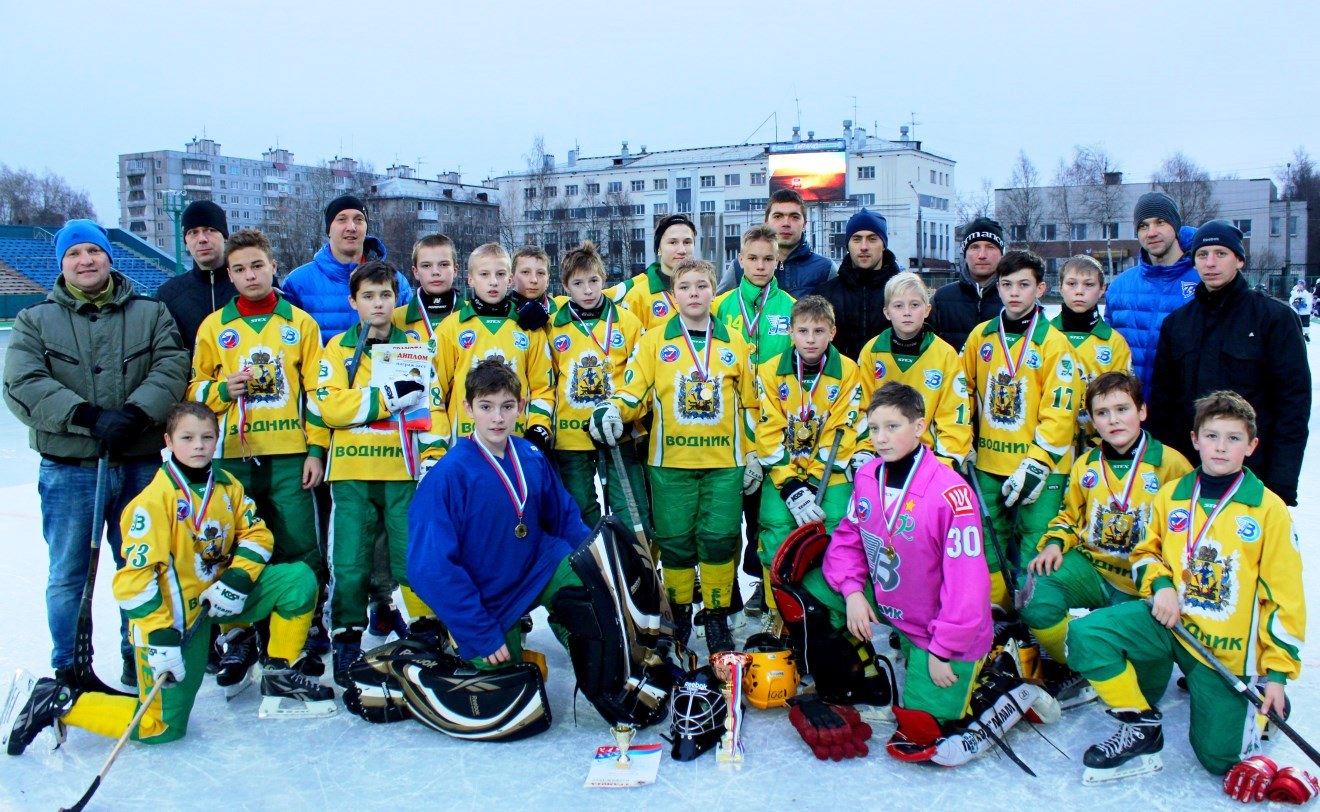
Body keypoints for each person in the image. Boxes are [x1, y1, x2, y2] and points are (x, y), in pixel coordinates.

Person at [4, 402, 333, 756]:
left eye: (207, 437)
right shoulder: (152, 502)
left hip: (219, 599)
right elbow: (134, 582)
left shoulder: (227, 485)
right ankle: (56, 701)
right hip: (172, 621)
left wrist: (238, 577)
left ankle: (279, 676)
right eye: (187, 437)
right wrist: (160, 636)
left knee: (297, 579)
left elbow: (256, 532)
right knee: (160, 727)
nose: (199, 446)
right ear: (168, 441)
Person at [1066, 391, 1305, 781]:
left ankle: (1261, 701)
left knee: (1218, 760)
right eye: (1211, 436)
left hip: (1221, 649)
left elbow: (1285, 599)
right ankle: (1141, 725)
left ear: (1252, 445)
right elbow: (1146, 552)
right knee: (1087, 633)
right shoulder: (1172, 494)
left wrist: (1277, 673)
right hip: (1169, 625)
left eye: (1233, 438)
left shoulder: (1268, 510)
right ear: (1194, 439)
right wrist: (1160, 585)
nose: (1220, 447)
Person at [819, 383, 1050, 767]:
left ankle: (1002, 685)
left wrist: (943, 650)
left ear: (920, 426)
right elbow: (848, 539)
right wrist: (851, 593)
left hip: (942, 628)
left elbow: (967, 587)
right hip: (894, 605)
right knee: (814, 591)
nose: (880, 438)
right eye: (873, 428)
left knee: (922, 736)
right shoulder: (867, 477)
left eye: (893, 427)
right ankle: (863, 672)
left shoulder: (951, 494)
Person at [3, 219, 188, 689]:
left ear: (109, 256)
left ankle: (138, 654)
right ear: (61, 263)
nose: (85, 261)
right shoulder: (34, 320)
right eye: (74, 254)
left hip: (140, 464)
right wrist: (86, 416)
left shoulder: (150, 312)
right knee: (69, 573)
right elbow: (22, 383)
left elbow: (172, 365)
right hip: (71, 470)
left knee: (142, 565)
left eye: (93, 251)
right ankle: (70, 666)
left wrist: (135, 413)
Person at [591, 258, 758, 652]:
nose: (694, 293)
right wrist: (613, 409)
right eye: (686, 287)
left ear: (714, 290)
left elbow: (753, 404)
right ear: (674, 293)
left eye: (702, 286)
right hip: (669, 464)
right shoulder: (653, 340)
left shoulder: (735, 341)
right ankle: (679, 613)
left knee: (720, 539)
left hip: (725, 465)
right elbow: (633, 393)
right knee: (676, 541)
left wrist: (753, 454)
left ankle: (716, 615)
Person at [188, 228, 328, 679]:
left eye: (257, 266)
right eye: (240, 269)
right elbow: (193, 391)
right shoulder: (215, 327)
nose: (250, 275)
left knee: (300, 546)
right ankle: (241, 635)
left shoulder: (300, 323)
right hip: (232, 457)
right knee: (233, 547)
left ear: (273, 267)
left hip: (289, 454)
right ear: (229, 274)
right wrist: (219, 389)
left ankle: (300, 631)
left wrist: (315, 449)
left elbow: (318, 391)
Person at [314, 261, 449, 687]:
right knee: (351, 560)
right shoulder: (336, 349)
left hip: (402, 470)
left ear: (398, 299)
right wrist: (386, 398)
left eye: (386, 295)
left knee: (410, 555)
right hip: (352, 472)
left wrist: (432, 454)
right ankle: (347, 635)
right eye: (368, 296)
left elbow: (433, 408)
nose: (378, 303)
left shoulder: (414, 347)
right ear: (353, 301)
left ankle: (425, 628)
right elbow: (328, 407)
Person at [407, 360, 590, 669]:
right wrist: (479, 631)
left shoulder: (531, 456)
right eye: (486, 407)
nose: (497, 418)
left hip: (535, 568)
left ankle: (584, 644)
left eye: (507, 406)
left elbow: (566, 520)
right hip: (487, 597)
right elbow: (429, 568)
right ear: (467, 408)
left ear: (520, 406)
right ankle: (479, 638)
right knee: (513, 693)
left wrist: (599, 569)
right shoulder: (448, 475)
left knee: (588, 592)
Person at [1021, 372, 1191, 700]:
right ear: (1093, 421)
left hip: (1143, 585)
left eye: (1122, 409)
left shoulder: (1172, 466)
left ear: (1142, 411)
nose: (1113, 420)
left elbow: (1189, 539)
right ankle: (1079, 663)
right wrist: (1056, 542)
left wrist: (1168, 586)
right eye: (1102, 413)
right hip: (1096, 570)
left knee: (1146, 692)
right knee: (1035, 588)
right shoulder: (1086, 464)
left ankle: (1119, 668)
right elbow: (1070, 516)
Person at [1148, 220, 1310, 507]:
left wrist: (1281, 484)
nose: (1211, 262)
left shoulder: (1273, 319)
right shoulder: (1177, 324)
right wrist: (1167, 473)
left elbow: (1293, 406)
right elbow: (1164, 406)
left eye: (1221, 253)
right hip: (1190, 475)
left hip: (1253, 476)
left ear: (1240, 260)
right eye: (1202, 254)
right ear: (1194, 262)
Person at [962, 250, 1080, 608]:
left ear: (1040, 288)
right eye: (1007, 284)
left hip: (1041, 468)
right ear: (997, 287)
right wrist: (963, 442)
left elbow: (1061, 409)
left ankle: (1036, 622)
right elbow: (962, 392)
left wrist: (1039, 461)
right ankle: (997, 613)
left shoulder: (1054, 342)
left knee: (1036, 544)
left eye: (1024, 285)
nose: (1014, 293)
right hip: (989, 463)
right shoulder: (981, 336)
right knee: (986, 541)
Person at [754, 295, 862, 625]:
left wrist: (814, 480)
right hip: (783, 472)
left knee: (835, 535)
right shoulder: (771, 371)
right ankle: (781, 614)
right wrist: (790, 486)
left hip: (830, 473)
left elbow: (844, 428)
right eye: (803, 331)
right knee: (775, 533)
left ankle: (830, 615)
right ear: (790, 332)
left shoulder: (848, 371)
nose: (810, 339)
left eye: (818, 331)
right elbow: (768, 429)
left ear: (832, 332)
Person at [712, 224, 796, 613]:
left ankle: (766, 587)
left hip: (773, 423)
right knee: (728, 516)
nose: (760, 265)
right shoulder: (721, 305)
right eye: (753, 258)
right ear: (740, 259)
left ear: (779, 259)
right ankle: (723, 589)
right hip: (727, 424)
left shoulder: (792, 308)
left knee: (766, 516)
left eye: (768, 258)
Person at [545, 241, 648, 531]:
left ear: (604, 280)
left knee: (632, 511)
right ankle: (593, 573)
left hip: (618, 433)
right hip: (569, 437)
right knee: (579, 511)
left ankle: (635, 572)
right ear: (565, 286)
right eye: (578, 283)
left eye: (593, 281)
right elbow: (546, 379)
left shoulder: (627, 322)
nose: (588, 290)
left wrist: (628, 415)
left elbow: (639, 377)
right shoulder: (553, 326)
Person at [434, 243, 555, 452]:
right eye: (484, 274)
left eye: (500, 274)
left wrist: (538, 427)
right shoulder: (450, 328)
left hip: (516, 442)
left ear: (509, 279)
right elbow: (435, 392)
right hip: (464, 444)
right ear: (470, 279)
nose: (493, 282)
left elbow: (542, 387)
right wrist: (436, 447)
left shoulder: (529, 328)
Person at [857, 272, 971, 468]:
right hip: (881, 455)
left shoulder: (945, 354)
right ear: (886, 312)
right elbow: (861, 407)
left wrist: (945, 461)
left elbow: (954, 415)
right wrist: (864, 451)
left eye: (915, 305)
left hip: (928, 459)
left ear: (927, 310)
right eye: (899, 306)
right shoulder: (871, 352)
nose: (907, 312)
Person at [1104, 191, 1199, 402]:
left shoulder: (1202, 281)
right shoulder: (1120, 287)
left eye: (1160, 222)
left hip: (1182, 413)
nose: (1151, 232)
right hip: (1131, 413)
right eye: (1143, 226)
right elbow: (1106, 352)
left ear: (1175, 226)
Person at [282, 195, 412, 338]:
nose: (351, 227)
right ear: (329, 230)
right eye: (342, 219)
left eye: (359, 219)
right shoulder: (298, 282)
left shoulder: (395, 280)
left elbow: (411, 335)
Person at [1051, 255, 1133, 454]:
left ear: (1102, 289)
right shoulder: (1044, 336)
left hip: (1099, 447)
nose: (1079, 291)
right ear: (1060, 287)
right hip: (1051, 444)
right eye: (1072, 284)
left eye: (1089, 284)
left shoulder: (1114, 342)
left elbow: (1122, 398)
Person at [815, 208, 902, 359]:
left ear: (884, 244)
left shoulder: (903, 293)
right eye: (856, 239)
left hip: (890, 380)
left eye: (872, 239)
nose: (864, 246)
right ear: (848, 245)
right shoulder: (825, 294)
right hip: (841, 380)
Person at [156, 200, 237, 352]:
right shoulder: (168, 295)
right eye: (193, 232)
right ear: (186, 240)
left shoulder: (250, 284)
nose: (202, 239)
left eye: (210, 230)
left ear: (225, 236)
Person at [719, 190, 834, 298]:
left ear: (804, 225)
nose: (786, 223)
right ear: (766, 223)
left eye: (794, 217)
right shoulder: (740, 267)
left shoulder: (826, 269)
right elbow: (714, 310)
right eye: (778, 216)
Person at [607, 214, 696, 331]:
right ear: (658, 249)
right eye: (673, 242)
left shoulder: (704, 292)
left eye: (687, 242)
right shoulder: (637, 297)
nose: (682, 250)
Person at [929, 217, 1005, 352]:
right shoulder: (941, 299)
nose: (982, 255)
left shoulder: (1016, 298)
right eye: (975, 247)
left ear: (1001, 253)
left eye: (990, 247)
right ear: (965, 253)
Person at [393, 233, 464, 343]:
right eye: (426, 266)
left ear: (455, 270)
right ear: (415, 272)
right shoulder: (396, 318)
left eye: (444, 264)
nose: (435, 272)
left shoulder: (473, 314)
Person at [510, 243, 559, 329]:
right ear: (512, 277)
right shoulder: (500, 312)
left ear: (548, 280)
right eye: (525, 272)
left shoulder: (563, 309)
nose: (534, 280)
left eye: (540, 273)